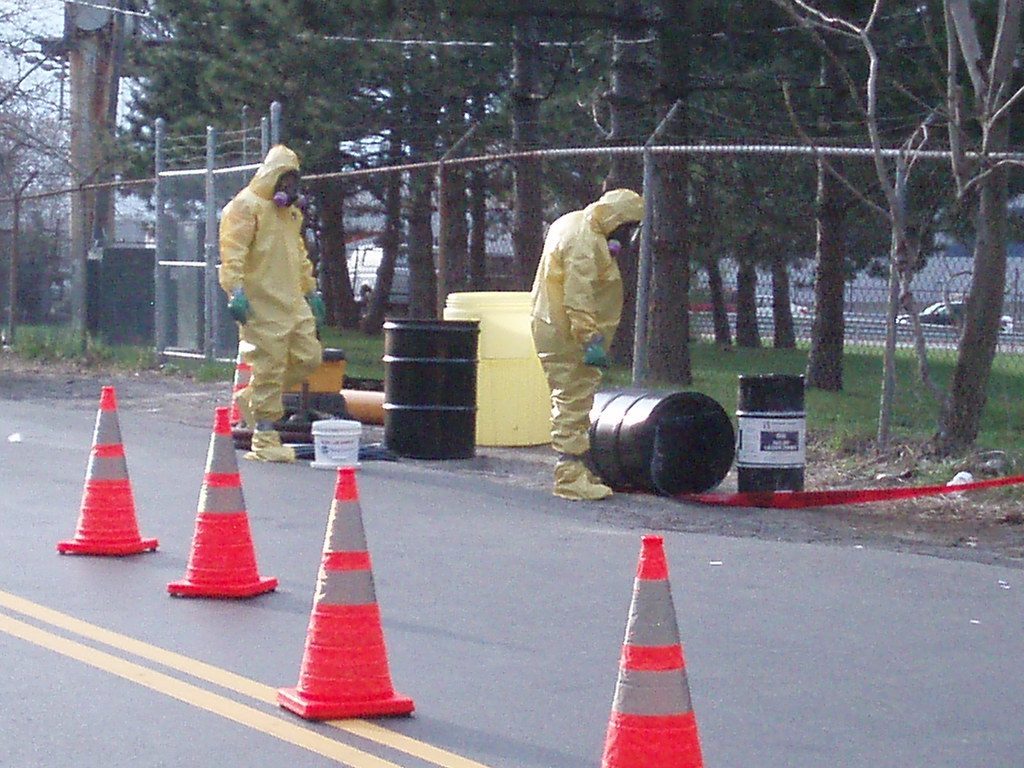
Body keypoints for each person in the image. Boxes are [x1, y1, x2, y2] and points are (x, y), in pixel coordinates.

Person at [530, 188, 644, 500]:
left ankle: (577, 467)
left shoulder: (576, 223)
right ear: (618, 222)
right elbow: (577, 296)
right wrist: (589, 338)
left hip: (554, 324)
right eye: (628, 229)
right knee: (573, 401)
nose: (627, 238)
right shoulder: (585, 242)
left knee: (572, 397)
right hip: (569, 332)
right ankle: (569, 476)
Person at [218, 144, 326, 463]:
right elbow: (233, 252)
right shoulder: (245, 207)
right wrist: (235, 291)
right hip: (261, 304)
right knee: (270, 366)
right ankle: (264, 439)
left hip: (292, 301)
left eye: (293, 182)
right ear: (272, 177)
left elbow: (299, 254)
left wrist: (311, 290)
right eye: (285, 180)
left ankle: (252, 398)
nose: (289, 188)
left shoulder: (289, 214)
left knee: (309, 358)